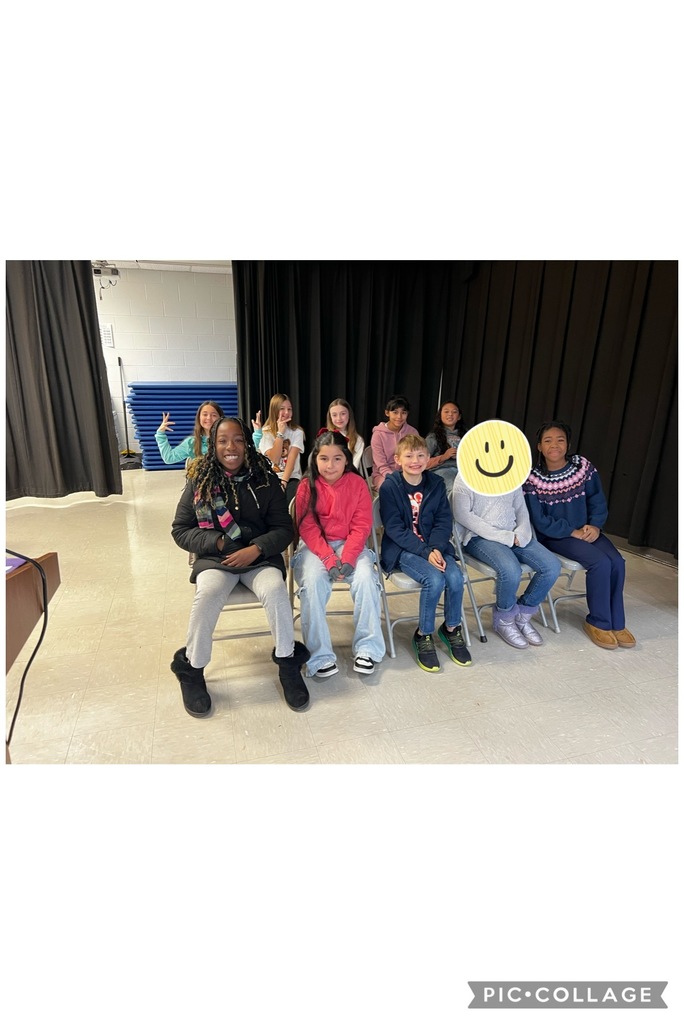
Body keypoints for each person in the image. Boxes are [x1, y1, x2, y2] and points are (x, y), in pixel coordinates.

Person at [170, 417, 310, 715]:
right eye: (222, 441)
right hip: (216, 559)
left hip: (259, 558)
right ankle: (192, 670)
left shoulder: (266, 479)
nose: (230, 447)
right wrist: (218, 543)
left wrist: (256, 548)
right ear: (213, 445)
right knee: (207, 593)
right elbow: (180, 530)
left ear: (247, 444)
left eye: (237, 440)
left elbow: (283, 528)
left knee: (276, 591)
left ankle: (288, 665)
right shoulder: (199, 480)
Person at [523, 420, 636, 651]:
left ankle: (617, 622)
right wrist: (570, 531)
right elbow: (539, 520)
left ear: (568, 444)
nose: (554, 445)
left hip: (587, 530)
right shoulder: (532, 478)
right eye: (548, 441)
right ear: (539, 447)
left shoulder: (582, 467)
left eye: (560, 440)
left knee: (617, 562)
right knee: (600, 563)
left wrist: (595, 525)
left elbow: (597, 499)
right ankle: (598, 622)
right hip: (556, 536)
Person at [292, 430, 386, 678]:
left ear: (347, 459)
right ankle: (319, 655)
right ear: (315, 459)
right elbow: (307, 527)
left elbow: (361, 525)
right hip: (315, 546)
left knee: (366, 578)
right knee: (313, 582)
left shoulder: (357, 484)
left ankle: (367, 649)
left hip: (350, 543)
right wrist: (328, 558)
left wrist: (349, 557)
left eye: (337, 459)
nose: (330, 465)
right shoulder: (306, 486)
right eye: (324, 458)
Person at [379, 434, 471, 672]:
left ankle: (451, 628)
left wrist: (436, 548)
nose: (415, 461)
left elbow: (443, 521)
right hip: (404, 549)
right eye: (409, 456)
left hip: (434, 547)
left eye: (420, 455)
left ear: (428, 457)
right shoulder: (390, 486)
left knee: (456, 577)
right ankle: (424, 634)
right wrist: (425, 551)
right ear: (398, 459)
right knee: (434, 579)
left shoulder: (436, 484)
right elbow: (394, 529)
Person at [452, 474, 560, 648]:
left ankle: (522, 615)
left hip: (514, 534)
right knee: (510, 570)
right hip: (479, 537)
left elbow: (521, 510)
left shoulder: (511, 474)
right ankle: (505, 619)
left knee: (552, 566)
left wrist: (522, 533)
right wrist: (502, 536)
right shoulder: (466, 475)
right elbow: (462, 515)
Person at [258, 393, 305, 504]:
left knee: (290, 500)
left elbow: (292, 459)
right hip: (271, 477)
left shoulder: (297, 432)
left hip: (291, 477)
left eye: (289, 409)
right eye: (282, 409)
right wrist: (280, 433)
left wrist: (283, 483)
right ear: (274, 410)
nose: (287, 412)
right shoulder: (266, 432)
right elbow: (274, 459)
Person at [370, 394, 419, 490]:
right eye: (395, 412)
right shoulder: (378, 435)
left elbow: (416, 458)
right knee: (392, 488)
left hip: (408, 473)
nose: (399, 417)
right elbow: (381, 465)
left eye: (403, 412)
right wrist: (396, 479)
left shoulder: (413, 432)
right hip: (383, 475)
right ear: (387, 413)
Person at [155, 401, 224, 464]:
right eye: (205, 414)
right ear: (199, 418)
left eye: (214, 415)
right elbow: (169, 458)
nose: (208, 418)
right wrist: (160, 434)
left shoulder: (228, 440)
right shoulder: (191, 443)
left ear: (220, 418)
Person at [425, 400, 466, 495]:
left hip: (464, 471)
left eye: (454, 412)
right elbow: (422, 462)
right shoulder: (433, 436)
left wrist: (461, 456)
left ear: (459, 416)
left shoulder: (467, 435)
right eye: (446, 411)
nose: (450, 414)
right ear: (440, 415)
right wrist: (444, 457)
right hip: (443, 470)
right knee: (454, 490)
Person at [326, 398, 365, 470]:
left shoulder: (358, 440)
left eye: (343, 414)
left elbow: (354, 466)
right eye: (334, 415)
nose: (339, 418)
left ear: (349, 414)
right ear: (330, 417)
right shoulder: (325, 437)